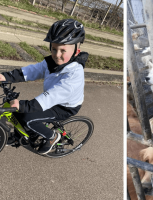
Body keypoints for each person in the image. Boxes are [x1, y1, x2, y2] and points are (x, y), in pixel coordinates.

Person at [0, 19, 89, 154]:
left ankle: (52, 137)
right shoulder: (51, 62)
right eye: (54, 49)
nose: (57, 55)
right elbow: (32, 71)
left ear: (77, 52)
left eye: (62, 50)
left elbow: (52, 96)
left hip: (64, 107)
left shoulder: (74, 75)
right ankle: (22, 136)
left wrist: (25, 106)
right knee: (15, 109)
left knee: (27, 118)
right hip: (51, 98)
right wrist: (6, 76)